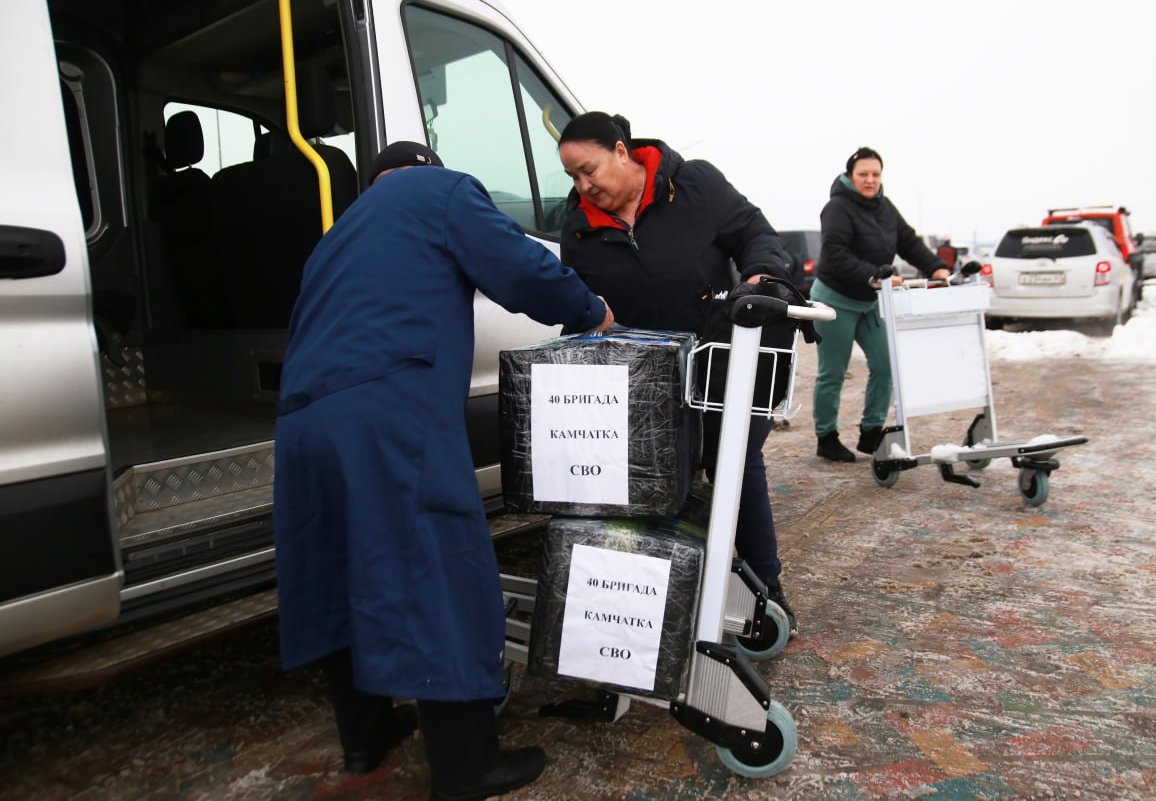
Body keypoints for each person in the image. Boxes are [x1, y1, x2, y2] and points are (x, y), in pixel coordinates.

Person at [273, 140, 613, 800]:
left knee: (341, 569)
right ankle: (466, 768)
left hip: (303, 421)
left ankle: (366, 736)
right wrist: (589, 310)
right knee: (436, 569)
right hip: (387, 413)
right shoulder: (442, 191)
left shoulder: (338, 233)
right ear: (427, 170)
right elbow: (520, 269)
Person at [555, 111, 799, 632]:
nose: (584, 185)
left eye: (590, 169)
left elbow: (754, 231)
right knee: (654, 481)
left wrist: (762, 276)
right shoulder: (579, 224)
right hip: (645, 379)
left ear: (621, 151)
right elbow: (578, 302)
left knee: (734, 462)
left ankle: (764, 591)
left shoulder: (694, 184)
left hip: (718, 358)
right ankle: (656, 600)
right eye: (573, 176)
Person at [809, 147, 949, 463]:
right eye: (863, 175)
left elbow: (909, 241)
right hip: (834, 301)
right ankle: (826, 437)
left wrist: (936, 266)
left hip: (870, 300)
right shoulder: (837, 208)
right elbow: (835, 253)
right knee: (833, 371)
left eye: (875, 174)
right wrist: (873, 274)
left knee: (886, 365)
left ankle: (871, 431)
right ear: (850, 176)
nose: (870, 180)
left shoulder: (885, 207)